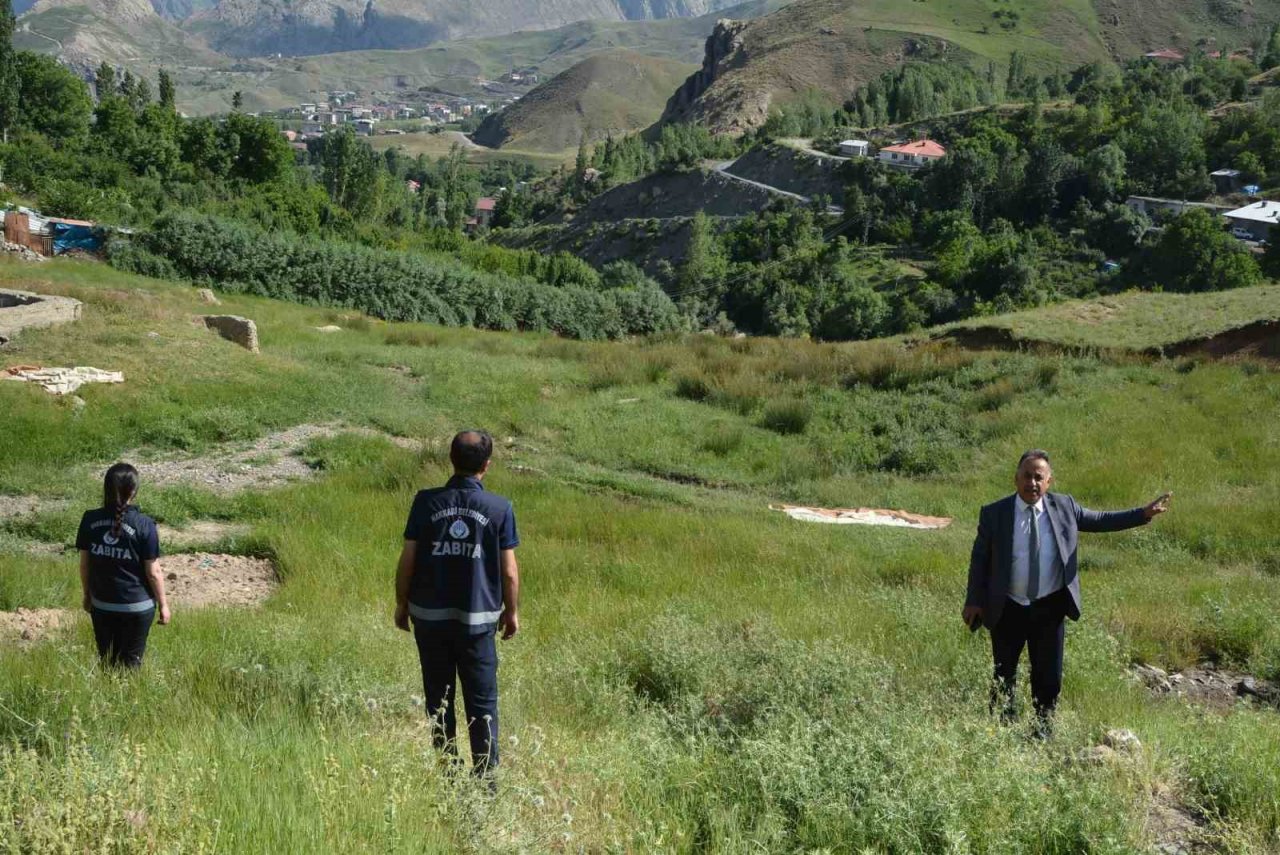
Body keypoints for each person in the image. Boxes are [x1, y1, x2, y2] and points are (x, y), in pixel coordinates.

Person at [963, 450, 1170, 733]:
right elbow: (980, 559)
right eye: (1027, 476)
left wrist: (1142, 514)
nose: (1032, 483)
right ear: (1016, 478)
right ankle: (1001, 730)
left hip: (1049, 607)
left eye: (1039, 477)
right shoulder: (994, 513)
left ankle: (1042, 731)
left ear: (1049, 482)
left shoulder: (1065, 508)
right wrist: (974, 600)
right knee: (1004, 672)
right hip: (1007, 606)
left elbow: (1101, 520)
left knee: (1048, 677)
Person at [395, 430, 520, 779]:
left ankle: (448, 775)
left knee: (439, 701)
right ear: (487, 465)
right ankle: (485, 781)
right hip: (477, 625)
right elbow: (509, 572)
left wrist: (401, 603)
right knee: (482, 706)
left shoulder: (425, 502)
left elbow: (408, 559)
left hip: (429, 620)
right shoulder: (499, 508)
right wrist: (511, 613)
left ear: (451, 459)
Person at [76, 463, 170, 668]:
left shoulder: (89, 519)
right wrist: (163, 605)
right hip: (138, 607)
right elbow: (153, 572)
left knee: (107, 663)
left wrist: (87, 595)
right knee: (131, 665)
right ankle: (127, 697)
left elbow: (85, 565)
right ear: (134, 491)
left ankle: (108, 697)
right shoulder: (145, 525)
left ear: (106, 488)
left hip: (102, 605)